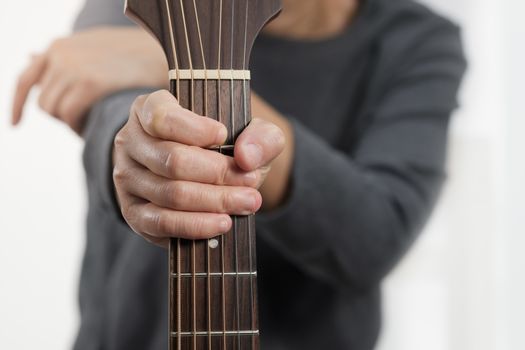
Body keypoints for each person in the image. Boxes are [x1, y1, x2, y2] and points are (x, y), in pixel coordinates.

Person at [12, 0, 466, 349]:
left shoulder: (420, 40)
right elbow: (115, 116)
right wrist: (138, 151)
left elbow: (376, 235)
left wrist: (166, 64)